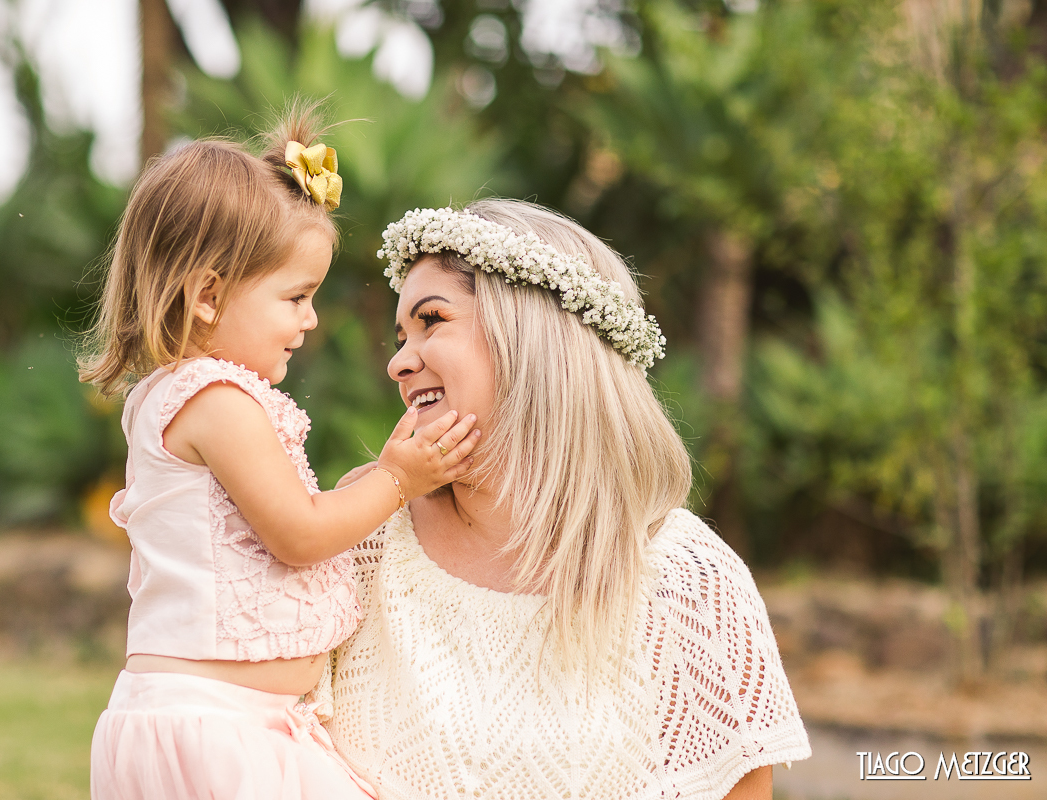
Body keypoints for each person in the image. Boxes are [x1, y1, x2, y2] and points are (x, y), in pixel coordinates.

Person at [321, 199, 811, 800]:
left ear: (530, 335)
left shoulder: (688, 579)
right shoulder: (361, 538)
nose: (398, 363)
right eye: (401, 337)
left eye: (432, 320)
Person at [79, 109, 481, 800]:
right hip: (218, 731)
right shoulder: (217, 401)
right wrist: (397, 479)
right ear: (208, 296)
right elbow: (298, 534)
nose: (310, 318)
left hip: (224, 722)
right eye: (295, 296)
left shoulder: (180, 395)